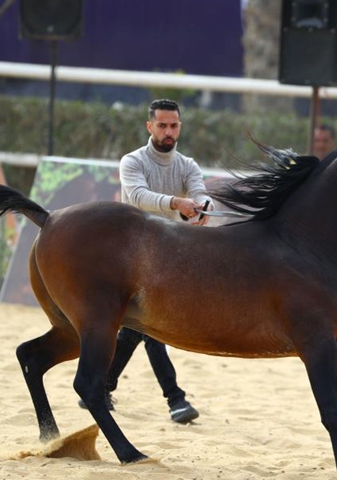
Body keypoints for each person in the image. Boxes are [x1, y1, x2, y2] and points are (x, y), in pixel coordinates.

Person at [78, 99, 207, 424]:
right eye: (162, 125)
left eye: (173, 125)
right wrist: (178, 203)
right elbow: (137, 197)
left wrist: (203, 205)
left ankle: (103, 386)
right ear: (149, 127)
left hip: (168, 258)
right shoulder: (132, 161)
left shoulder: (188, 165)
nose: (168, 131)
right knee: (152, 329)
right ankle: (175, 399)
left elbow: (200, 191)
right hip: (128, 256)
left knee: (139, 328)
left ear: (180, 126)